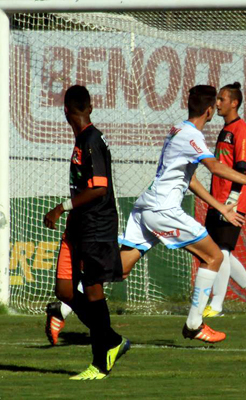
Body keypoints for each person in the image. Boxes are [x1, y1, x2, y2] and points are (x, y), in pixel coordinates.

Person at [47, 85, 246, 345]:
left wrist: (220, 205)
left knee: (119, 269)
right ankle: (194, 324)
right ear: (210, 110)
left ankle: (63, 308)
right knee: (213, 256)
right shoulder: (192, 136)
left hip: (147, 207)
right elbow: (214, 168)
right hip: (163, 210)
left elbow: (187, 180)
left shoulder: (177, 129)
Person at [43, 85, 130, 380]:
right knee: (65, 290)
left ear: (66, 111)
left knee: (93, 291)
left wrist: (61, 207)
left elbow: (100, 187)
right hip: (78, 227)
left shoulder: (91, 140)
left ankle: (100, 362)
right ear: (89, 107)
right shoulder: (83, 139)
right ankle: (112, 339)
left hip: (96, 226)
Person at [201, 82, 246, 318]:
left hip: (231, 202)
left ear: (234, 103)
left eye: (222, 99)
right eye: (217, 99)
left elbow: (242, 167)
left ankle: (217, 304)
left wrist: (233, 197)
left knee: (221, 251)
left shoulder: (242, 131)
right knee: (221, 252)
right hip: (217, 200)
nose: (217, 103)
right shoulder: (225, 129)